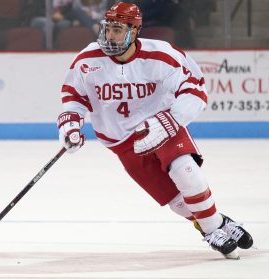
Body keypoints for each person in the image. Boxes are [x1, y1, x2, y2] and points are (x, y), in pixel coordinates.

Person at [56, 2, 253, 259]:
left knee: (186, 170)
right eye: (108, 29)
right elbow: (74, 95)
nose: (110, 36)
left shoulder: (162, 55)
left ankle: (211, 230)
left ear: (134, 31)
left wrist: (171, 120)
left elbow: (195, 89)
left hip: (162, 124)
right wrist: (70, 122)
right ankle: (219, 222)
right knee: (176, 201)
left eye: (117, 30)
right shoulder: (87, 59)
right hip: (121, 142)